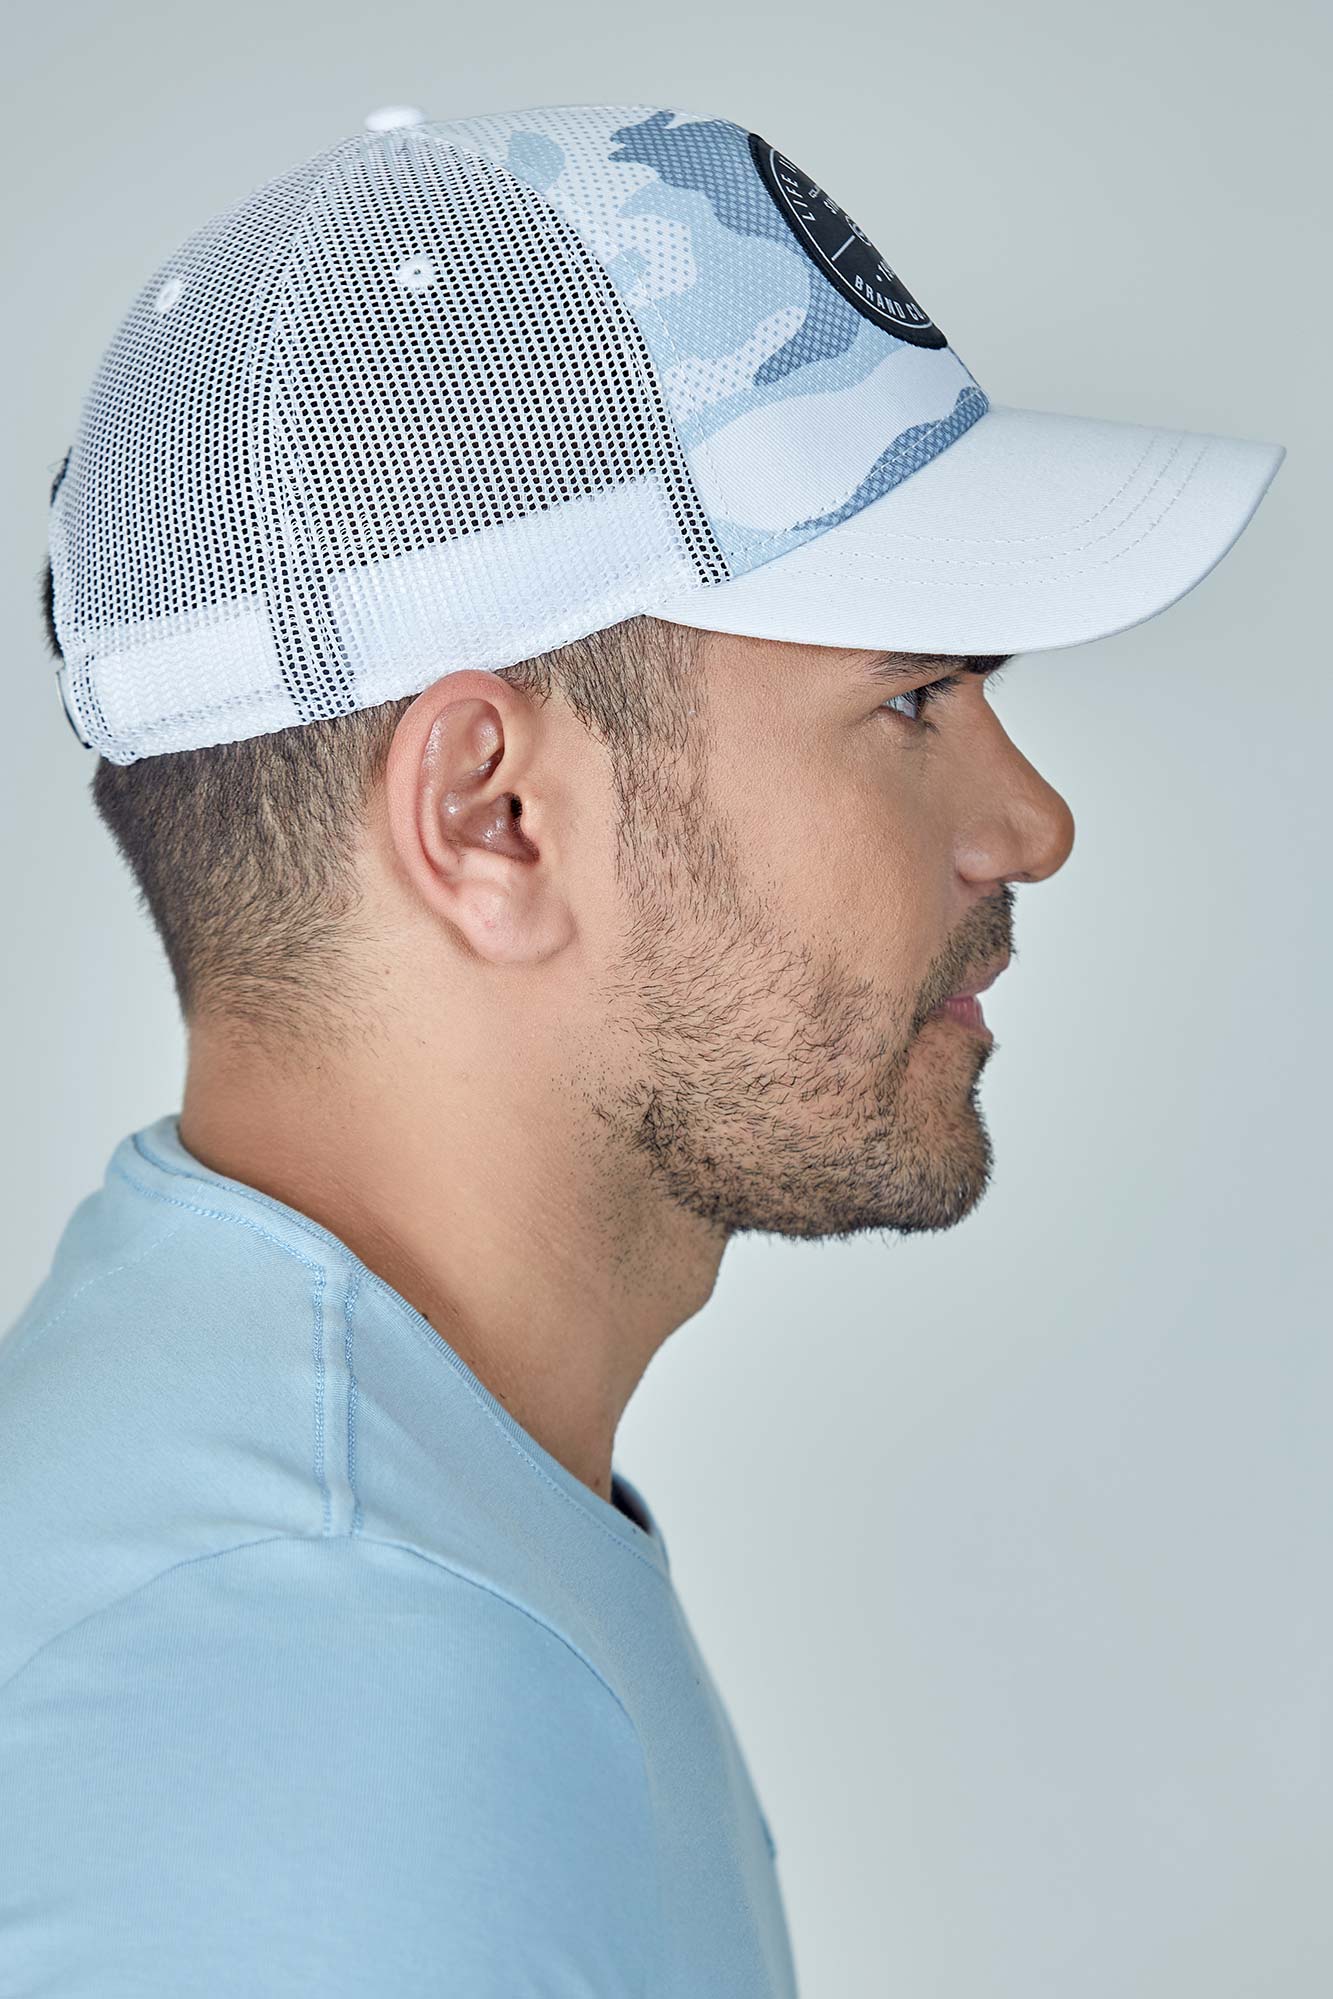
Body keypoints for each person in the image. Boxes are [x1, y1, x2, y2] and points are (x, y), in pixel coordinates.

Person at [1, 101, 1283, 1996]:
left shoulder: (370, 1513)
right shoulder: (316, 1681)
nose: (1029, 824)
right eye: (914, 694)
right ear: (492, 817)